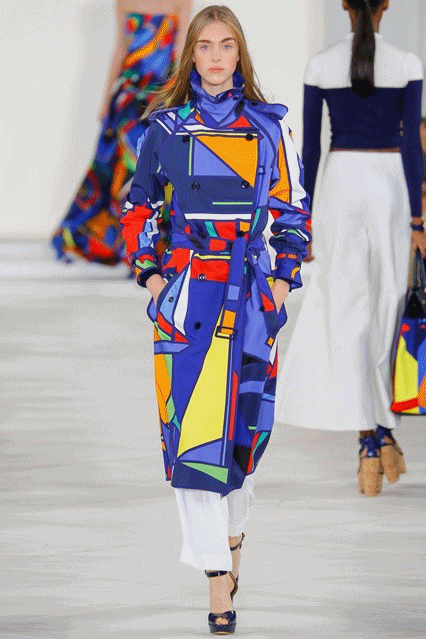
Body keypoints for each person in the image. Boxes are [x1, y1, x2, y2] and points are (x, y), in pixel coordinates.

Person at [120, 4, 311, 633]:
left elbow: (293, 212)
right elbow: (138, 209)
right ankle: (216, 584)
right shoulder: (165, 129)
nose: (216, 57)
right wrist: (155, 282)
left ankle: (230, 541)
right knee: (191, 444)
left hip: (250, 299)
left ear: (240, 54)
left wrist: (279, 285)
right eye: (205, 46)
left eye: (227, 45)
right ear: (191, 55)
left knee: (244, 441)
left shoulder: (268, 128)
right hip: (185, 303)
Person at [275, 0, 425, 497]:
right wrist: (418, 220)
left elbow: (310, 150)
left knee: (350, 314)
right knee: (385, 311)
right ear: (387, 6)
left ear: (343, 4)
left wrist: (303, 219)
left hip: (339, 186)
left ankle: (370, 441)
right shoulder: (406, 63)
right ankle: (379, 433)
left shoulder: (321, 64)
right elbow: (412, 147)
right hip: (389, 189)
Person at [51, 0, 191, 265]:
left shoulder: (180, 2)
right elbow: (121, 49)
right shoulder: (124, 2)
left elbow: (181, 53)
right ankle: (126, 244)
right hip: (127, 95)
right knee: (117, 167)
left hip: (159, 96)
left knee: (151, 169)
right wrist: (106, 100)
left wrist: (178, 99)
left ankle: (147, 244)